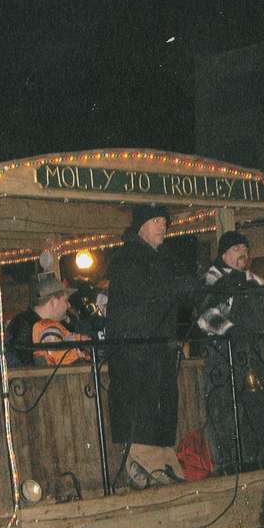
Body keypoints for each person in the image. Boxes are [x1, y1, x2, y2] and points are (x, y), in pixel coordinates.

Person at [105, 204, 195, 488]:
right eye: (156, 220)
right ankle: (144, 461)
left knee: (163, 404)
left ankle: (165, 459)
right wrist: (178, 287)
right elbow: (145, 295)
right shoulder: (126, 260)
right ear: (141, 225)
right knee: (140, 407)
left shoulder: (164, 260)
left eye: (164, 222)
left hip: (160, 348)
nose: (162, 226)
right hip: (136, 352)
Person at [197, 231, 264, 471]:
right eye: (237, 248)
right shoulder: (213, 279)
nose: (243, 253)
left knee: (261, 407)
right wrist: (229, 330)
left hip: (257, 358)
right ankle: (230, 462)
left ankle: (263, 456)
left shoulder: (255, 281)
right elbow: (205, 315)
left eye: (245, 249)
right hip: (225, 360)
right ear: (225, 253)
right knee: (225, 410)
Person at [4, 273, 72, 366]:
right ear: (53, 302)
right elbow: (24, 366)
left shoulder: (64, 324)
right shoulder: (22, 324)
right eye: (65, 300)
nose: (69, 305)